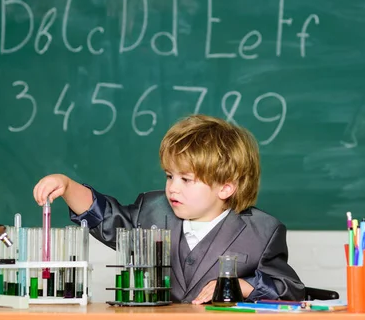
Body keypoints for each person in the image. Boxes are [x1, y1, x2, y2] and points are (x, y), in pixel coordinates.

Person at [33, 114, 305, 303]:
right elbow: (105, 217)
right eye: (169, 176)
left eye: (186, 179)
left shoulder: (262, 231)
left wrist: (243, 286)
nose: (173, 188)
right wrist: (67, 186)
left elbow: (292, 290)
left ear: (226, 187)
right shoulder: (151, 210)